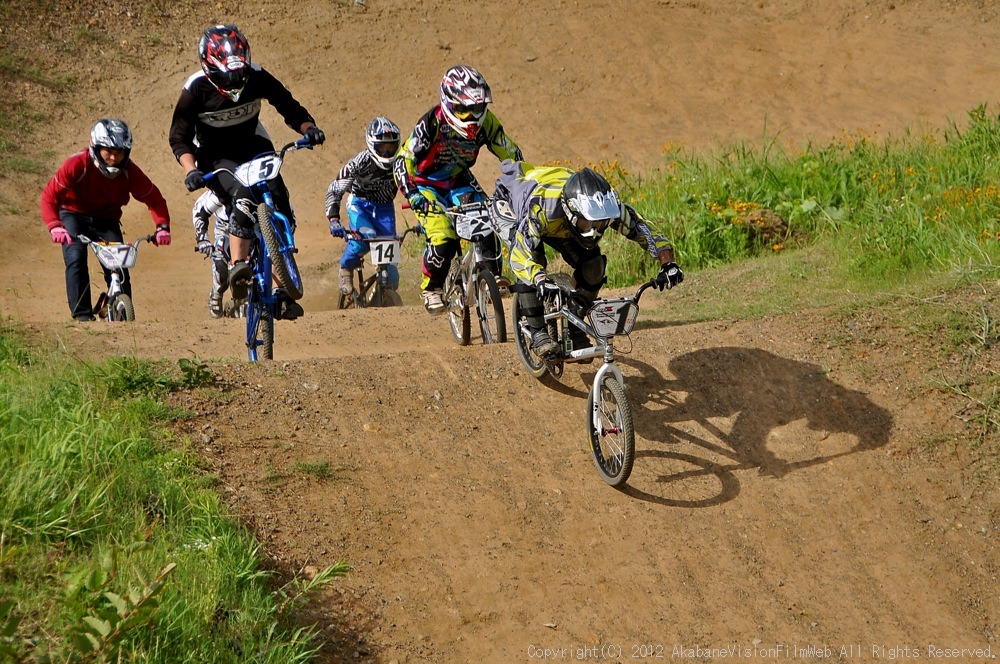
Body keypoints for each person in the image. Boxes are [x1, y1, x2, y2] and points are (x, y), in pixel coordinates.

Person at [169, 23, 325, 320]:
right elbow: (179, 137)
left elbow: (287, 105)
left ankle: (282, 287)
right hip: (216, 156)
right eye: (226, 76)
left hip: (254, 145)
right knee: (241, 198)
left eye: (238, 74)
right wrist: (190, 170)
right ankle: (238, 269)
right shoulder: (195, 89)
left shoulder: (256, 74)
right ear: (209, 67)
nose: (234, 81)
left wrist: (309, 129)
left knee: (278, 199)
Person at [489, 160, 684, 358]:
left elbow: (644, 229)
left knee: (594, 265)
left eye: (601, 223)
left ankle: (575, 324)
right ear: (571, 211)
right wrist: (540, 279)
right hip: (510, 204)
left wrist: (667, 263)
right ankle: (538, 333)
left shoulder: (607, 205)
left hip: (558, 218)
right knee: (534, 258)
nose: (595, 230)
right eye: (587, 222)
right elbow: (521, 254)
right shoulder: (541, 208)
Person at [394, 64, 523, 314]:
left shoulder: (488, 124)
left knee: (489, 216)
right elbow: (402, 161)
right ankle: (431, 288)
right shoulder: (431, 123)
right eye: (465, 109)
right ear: (450, 103)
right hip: (425, 183)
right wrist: (412, 194)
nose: (473, 116)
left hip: (457, 178)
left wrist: (522, 181)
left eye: (477, 108)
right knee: (444, 236)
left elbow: (511, 152)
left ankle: (492, 275)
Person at [40, 118, 171, 322]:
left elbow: (154, 199)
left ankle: (122, 312)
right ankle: (82, 315)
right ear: (96, 146)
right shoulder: (77, 164)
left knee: (119, 265)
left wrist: (162, 226)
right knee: (75, 257)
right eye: (107, 151)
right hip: (73, 215)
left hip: (106, 219)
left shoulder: (129, 171)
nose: (112, 157)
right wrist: (55, 226)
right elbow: (49, 196)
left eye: (119, 152)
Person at [326, 117, 402, 295]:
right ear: (371, 144)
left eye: (390, 146)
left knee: (392, 275)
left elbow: (414, 186)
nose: (386, 151)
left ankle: (381, 291)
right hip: (359, 204)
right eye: (381, 147)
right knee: (363, 240)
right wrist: (334, 219)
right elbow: (334, 189)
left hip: (384, 207)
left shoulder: (401, 162)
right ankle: (345, 269)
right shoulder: (359, 162)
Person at [192, 190, 232, 318]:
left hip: (250, 230)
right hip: (225, 230)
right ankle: (217, 292)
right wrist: (202, 239)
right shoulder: (221, 187)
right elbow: (199, 210)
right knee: (221, 265)